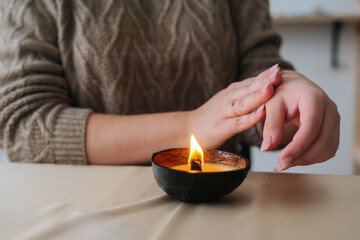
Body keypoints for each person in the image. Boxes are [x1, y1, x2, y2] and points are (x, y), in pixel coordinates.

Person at [0, 0, 339, 172]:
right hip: (83, 217)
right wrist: (189, 128)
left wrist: (284, 96)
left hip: (220, 214)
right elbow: (24, 124)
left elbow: (257, 69)